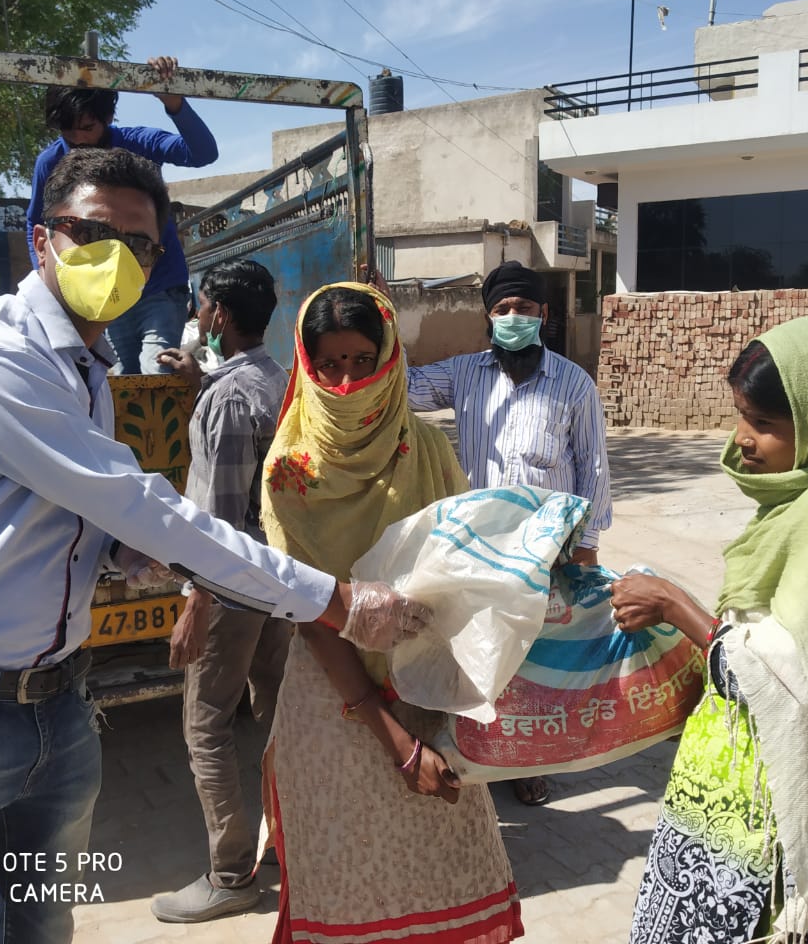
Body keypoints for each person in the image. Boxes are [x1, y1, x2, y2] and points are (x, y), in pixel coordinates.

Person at [0, 149, 426, 944]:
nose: (116, 258)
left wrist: (120, 555)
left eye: (140, 244)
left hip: (54, 699)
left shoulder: (86, 368)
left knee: (39, 928)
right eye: (91, 231)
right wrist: (337, 603)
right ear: (41, 236)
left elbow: (84, 512)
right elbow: (140, 504)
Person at [611, 316, 808, 944]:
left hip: (788, 815)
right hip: (746, 793)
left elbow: (791, 681)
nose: (744, 441)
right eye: (740, 415)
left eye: (765, 424)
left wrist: (678, 607)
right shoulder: (807, 498)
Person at [261, 282, 524, 944]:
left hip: (430, 694)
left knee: (446, 874)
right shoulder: (290, 471)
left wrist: (436, 723)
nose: (346, 382)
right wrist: (395, 741)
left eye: (360, 361)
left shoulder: (428, 451)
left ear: (387, 361)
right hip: (335, 702)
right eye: (328, 364)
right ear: (306, 363)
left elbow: (467, 573)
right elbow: (308, 612)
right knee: (347, 887)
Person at [405, 259, 612, 808]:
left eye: (523, 308)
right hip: (482, 543)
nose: (513, 317)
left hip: (548, 549)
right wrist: (386, 318)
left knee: (537, 655)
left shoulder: (573, 383)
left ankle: (530, 762)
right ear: (488, 317)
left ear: (543, 315)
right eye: (502, 309)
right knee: (480, 649)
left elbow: (592, 468)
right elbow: (400, 389)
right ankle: (481, 750)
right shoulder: (464, 374)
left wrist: (586, 550)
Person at [148, 259, 291, 923]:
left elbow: (222, 520)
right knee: (277, 721)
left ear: (220, 317)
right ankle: (298, 846)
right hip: (277, 586)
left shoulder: (231, 401)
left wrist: (195, 605)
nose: (201, 316)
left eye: (205, 307)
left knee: (207, 729)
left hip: (231, 590)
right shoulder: (274, 379)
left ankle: (232, 875)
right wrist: (199, 377)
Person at [26, 56, 217, 375]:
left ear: (108, 117)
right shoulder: (50, 161)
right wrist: (49, 280)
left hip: (157, 287)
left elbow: (203, 153)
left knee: (157, 374)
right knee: (117, 382)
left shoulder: (139, 143)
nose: (78, 139)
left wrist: (174, 103)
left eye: (87, 127)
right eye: (68, 130)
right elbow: (36, 224)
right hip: (103, 294)